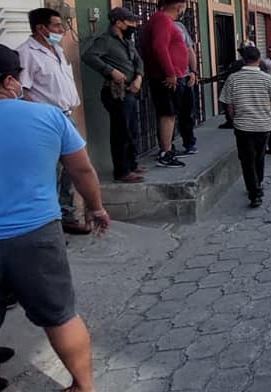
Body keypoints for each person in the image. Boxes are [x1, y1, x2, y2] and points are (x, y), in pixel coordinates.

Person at [0, 43, 111, 392]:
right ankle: (84, 390)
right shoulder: (47, 117)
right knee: (60, 314)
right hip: (34, 236)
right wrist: (96, 209)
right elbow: (82, 170)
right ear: (9, 81)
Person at [17, 8, 91, 235]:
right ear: (41, 28)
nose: (62, 30)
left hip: (66, 117)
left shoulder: (57, 50)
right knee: (50, 170)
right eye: (57, 26)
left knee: (72, 167)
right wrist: (40, 115)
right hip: (45, 121)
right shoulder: (26, 53)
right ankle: (49, 222)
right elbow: (23, 91)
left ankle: (67, 214)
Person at [82, 7, 145, 184]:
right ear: (118, 22)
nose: (134, 25)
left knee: (132, 128)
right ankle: (122, 171)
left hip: (131, 90)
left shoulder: (126, 41)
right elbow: (88, 56)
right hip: (115, 91)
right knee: (120, 131)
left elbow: (139, 61)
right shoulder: (105, 41)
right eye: (130, 22)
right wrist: (110, 71)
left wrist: (139, 77)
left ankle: (132, 164)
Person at [219, 46, 271, 208]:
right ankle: (258, 184)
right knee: (259, 156)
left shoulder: (233, 79)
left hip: (243, 126)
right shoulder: (268, 79)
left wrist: (234, 119)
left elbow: (229, 104)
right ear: (259, 59)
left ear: (243, 60)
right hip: (264, 125)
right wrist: (269, 116)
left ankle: (254, 193)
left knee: (247, 160)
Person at [140, 0, 189, 168]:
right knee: (168, 114)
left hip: (167, 75)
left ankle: (167, 148)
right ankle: (165, 153)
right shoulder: (162, 19)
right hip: (166, 77)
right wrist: (170, 72)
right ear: (178, 6)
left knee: (169, 114)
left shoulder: (161, 20)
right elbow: (159, 47)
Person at [173, 18, 199, 156]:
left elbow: (190, 50)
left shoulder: (179, 26)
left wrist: (193, 71)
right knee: (169, 114)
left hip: (186, 76)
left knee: (187, 113)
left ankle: (189, 143)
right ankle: (167, 148)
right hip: (172, 77)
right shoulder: (160, 25)